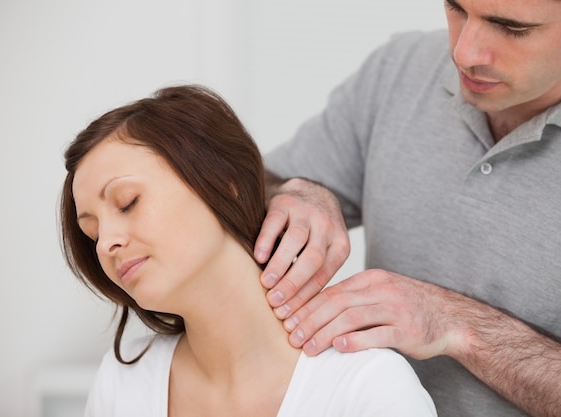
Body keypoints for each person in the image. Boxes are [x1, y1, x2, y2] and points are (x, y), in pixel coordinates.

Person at [253, 1, 561, 416]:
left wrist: (460, 326)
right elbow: (249, 187)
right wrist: (298, 191)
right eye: (456, 8)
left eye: (511, 28)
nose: (464, 53)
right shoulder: (401, 69)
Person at [59, 85, 437, 417]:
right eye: (92, 233)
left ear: (223, 183)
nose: (106, 242)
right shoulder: (122, 383)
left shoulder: (367, 388)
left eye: (127, 203)